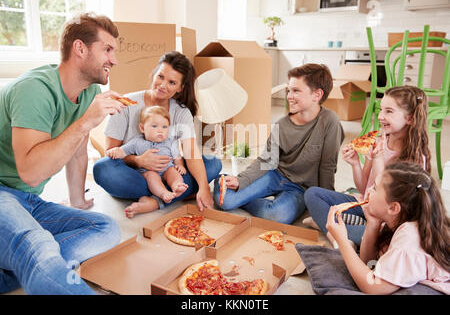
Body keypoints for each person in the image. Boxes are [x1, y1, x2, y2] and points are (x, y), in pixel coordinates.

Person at [0, 13, 124, 294]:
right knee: (36, 244)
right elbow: (31, 174)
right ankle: (32, 260)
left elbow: (78, 153)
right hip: (3, 191)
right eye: (107, 49)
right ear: (80, 49)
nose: (114, 60)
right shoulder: (35, 90)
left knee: (106, 228)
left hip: (27, 201)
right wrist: (85, 122)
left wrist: (77, 201)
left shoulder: (88, 92)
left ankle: (21, 267)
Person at [212, 64, 344, 224]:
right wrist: (241, 180)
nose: (289, 96)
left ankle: (246, 198)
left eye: (296, 91)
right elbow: (266, 160)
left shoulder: (330, 121)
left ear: (317, 95)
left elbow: (327, 167)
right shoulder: (282, 124)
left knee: (277, 216)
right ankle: (225, 180)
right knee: (226, 201)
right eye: (288, 90)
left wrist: (325, 204)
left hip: (300, 188)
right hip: (274, 175)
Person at [93, 51, 222, 215]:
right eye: (160, 76)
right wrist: (139, 161)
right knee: (103, 168)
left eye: (172, 82)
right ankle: (175, 193)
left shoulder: (181, 113)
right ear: (154, 74)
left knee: (213, 163)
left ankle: (155, 201)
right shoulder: (126, 103)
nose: (163, 85)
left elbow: (191, 154)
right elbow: (110, 152)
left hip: (170, 172)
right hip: (137, 176)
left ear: (180, 88)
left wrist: (204, 188)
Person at [305, 85, 431, 247]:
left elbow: (386, 200)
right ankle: (337, 233)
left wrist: (378, 159)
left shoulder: (416, 158)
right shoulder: (380, 139)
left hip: (388, 221)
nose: (380, 116)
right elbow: (365, 188)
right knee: (312, 194)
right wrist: (355, 164)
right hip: (366, 205)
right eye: (381, 109)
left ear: (410, 118)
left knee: (385, 241)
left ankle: (332, 230)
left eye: (389, 111)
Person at [326, 162, 449, 295]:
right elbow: (369, 263)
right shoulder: (400, 221)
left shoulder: (408, 240)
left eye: (374, 188)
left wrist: (342, 242)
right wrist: (373, 224)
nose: (368, 191)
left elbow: (373, 287)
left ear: (393, 208)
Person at [106, 106, 189, 217]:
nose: (160, 130)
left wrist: (180, 165)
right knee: (151, 175)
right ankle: (164, 193)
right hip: (148, 173)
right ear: (142, 128)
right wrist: (115, 151)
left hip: (166, 171)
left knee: (173, 171)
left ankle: (177, 186)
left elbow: (177, 156)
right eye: (154, 126)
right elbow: (123, 151)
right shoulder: (137, 142)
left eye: (164, 127)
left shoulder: (170, 142)